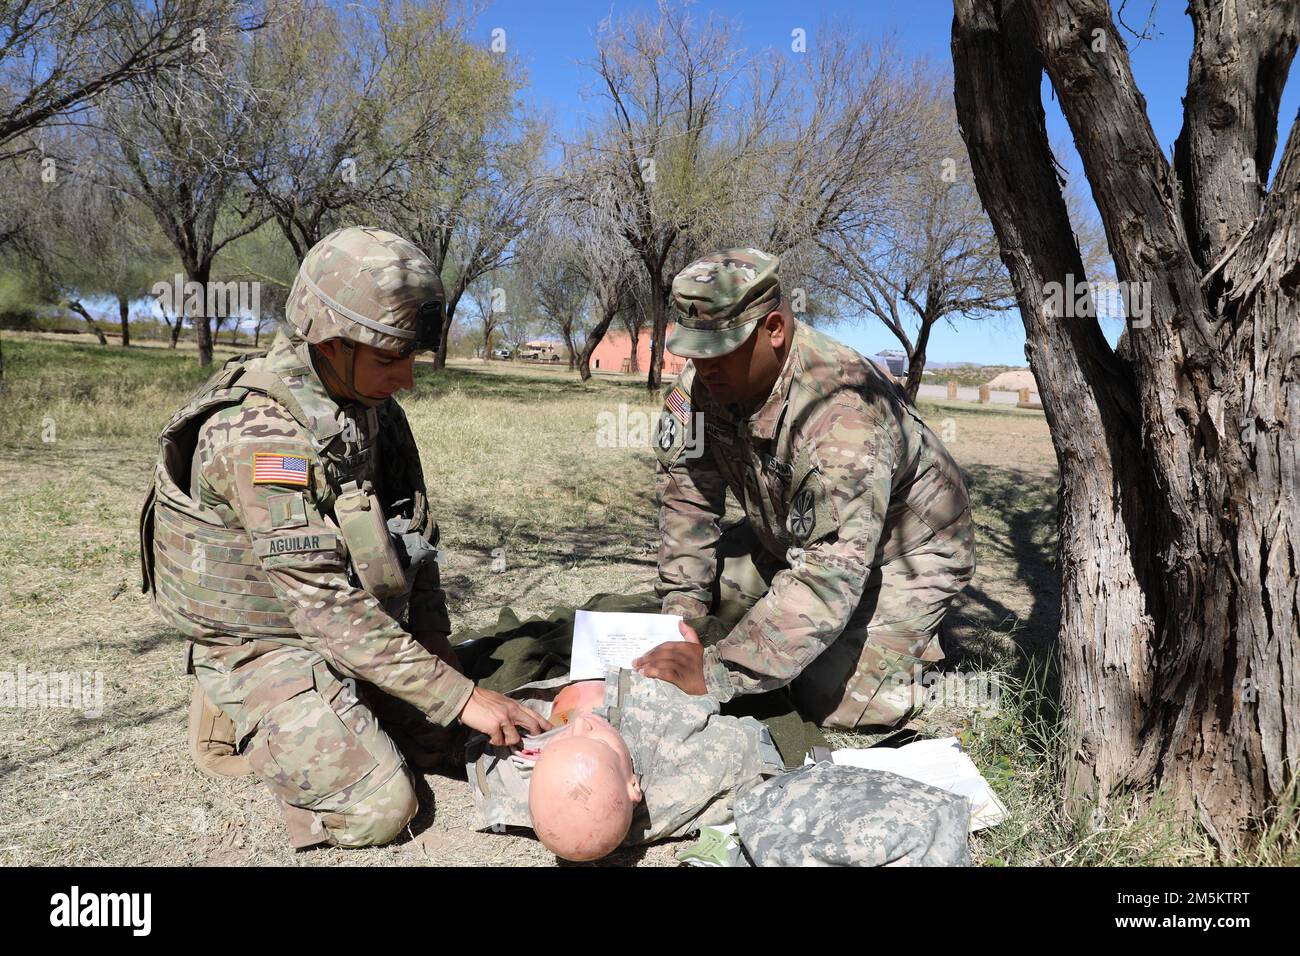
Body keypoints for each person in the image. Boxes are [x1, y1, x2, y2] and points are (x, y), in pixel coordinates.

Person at [139, 226, 547, 849]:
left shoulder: (373, 411)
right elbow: (321, 603)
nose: (407, 378)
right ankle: (241, 710)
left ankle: (345, 699)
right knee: (381, 809)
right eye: (391, 358)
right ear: (330, 342)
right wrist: (460, 694)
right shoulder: (257, 433)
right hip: (266, 639)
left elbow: (415, 537)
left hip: (351, 625)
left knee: (451, 739)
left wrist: (438, 649)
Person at [635, 248, 976, 730]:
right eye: (694, 349)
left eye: (719, 351)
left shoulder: (844, 414)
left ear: (774, 329)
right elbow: (687, 500)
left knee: (838, 702)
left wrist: (715, 673)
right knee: (714, 610)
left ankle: (910, 641)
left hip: (903, 551)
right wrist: (680, 615)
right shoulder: (698, 389)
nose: (702, 367)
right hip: (794, 534)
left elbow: (828, 574)